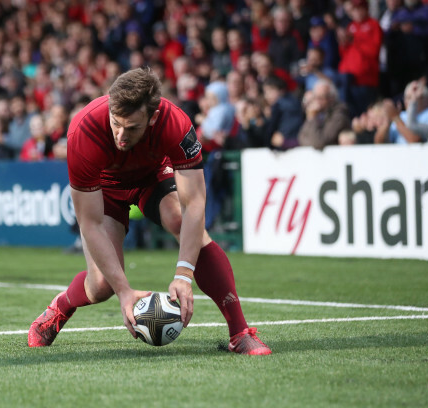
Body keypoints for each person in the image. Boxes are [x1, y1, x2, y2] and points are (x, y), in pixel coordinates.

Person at [28, 68, 271, 355]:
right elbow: (89, 224)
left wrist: (183, 274)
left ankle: (239, 333)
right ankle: (61, 306)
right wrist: (124, 291)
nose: (121, 135)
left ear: (153, 118)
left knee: (180, 220)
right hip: (105, 189)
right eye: (115, 123)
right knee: (102, 285)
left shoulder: (176, 124)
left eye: (132, 128)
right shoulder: (83, 132)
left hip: (153, 175)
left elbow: (195, 204)